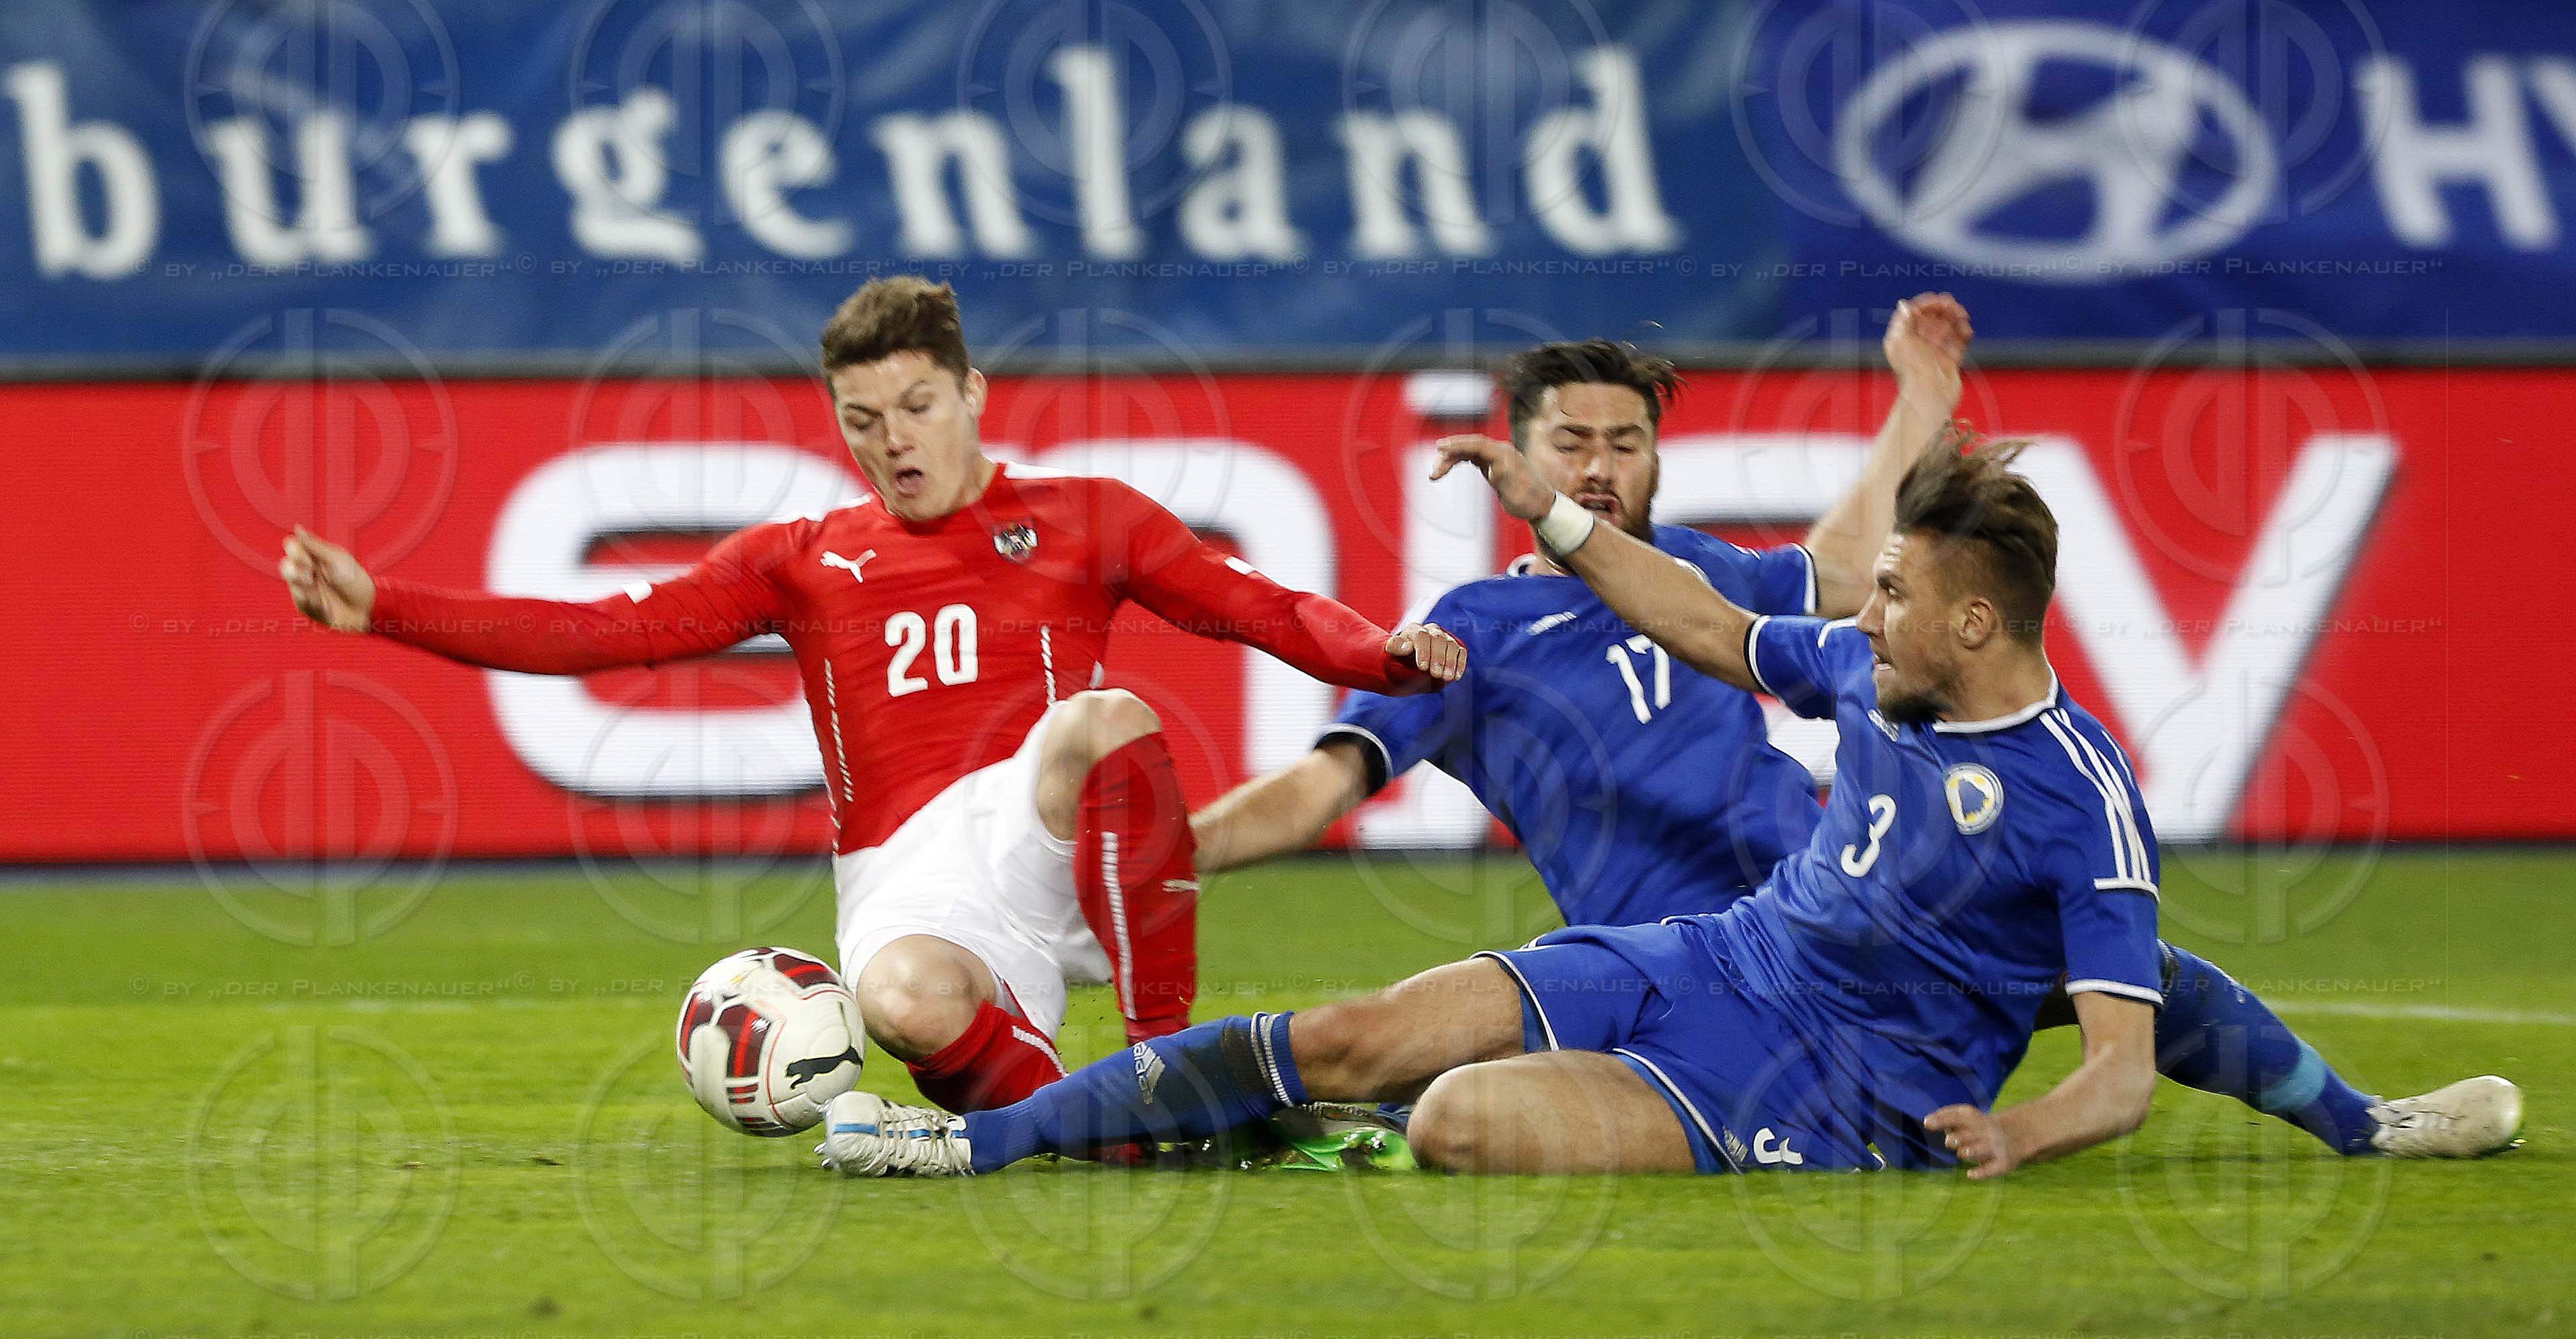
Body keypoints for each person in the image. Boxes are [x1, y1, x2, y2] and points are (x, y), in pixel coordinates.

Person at [824, 432, 2520, 1178]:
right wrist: (1552, 525)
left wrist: (2020, 1132)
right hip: (1708, 951)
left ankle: (2368, 1120)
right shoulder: (1871, 669)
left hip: (1840, 1089)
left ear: (1978, 622)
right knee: (1351, 1033)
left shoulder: (2080, 801)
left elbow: (2132, 1057)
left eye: (1897, 595)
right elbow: (1715, 627)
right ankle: (965, 1144)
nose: (1864, 612)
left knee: (1454, 1122)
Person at [1193, 304, 2518, 1160]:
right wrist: (1167, 854)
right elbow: (1320, 790)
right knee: (1432, 1066)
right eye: (1568, 444)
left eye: (1625, 440)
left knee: (2137, 972)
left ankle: (2362, 1124)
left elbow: (1838, 574)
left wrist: (1912, 407)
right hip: (1681, 961)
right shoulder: (1472, 626)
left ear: (1656, 456)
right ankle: (1275, 1117)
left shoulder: (1706, 577)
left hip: (1853, 922)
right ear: (1520, 460)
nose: (1597, 467)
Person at [278, 275, 1465, 1119]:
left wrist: (1382, 657)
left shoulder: (1088, 518)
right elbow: (604, 631)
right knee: (897, 1001)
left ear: (973, 393)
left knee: (1099, 723)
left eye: (916, 407)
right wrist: (385, 606)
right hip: (910, 877)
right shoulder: (800, 556)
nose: (892, 441)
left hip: (1055, 830)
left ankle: (1166, 1067)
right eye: (861, 420)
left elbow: (1264, 608)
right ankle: (1104, 1133)